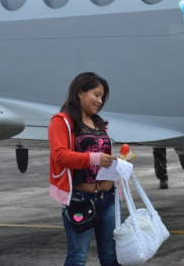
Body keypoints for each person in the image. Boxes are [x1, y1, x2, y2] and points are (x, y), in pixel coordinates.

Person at [48, 72, 120, 266]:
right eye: (96, 94)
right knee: (78, 258)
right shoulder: (61, 121)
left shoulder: (99, 123)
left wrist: (117, 162)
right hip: (80, 200)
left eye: (102, 97)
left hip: (108, 198)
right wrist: (95, 158)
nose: (100, 100)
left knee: (110, 257)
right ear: (80, 92)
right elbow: (60, 155)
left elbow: (102, 157)